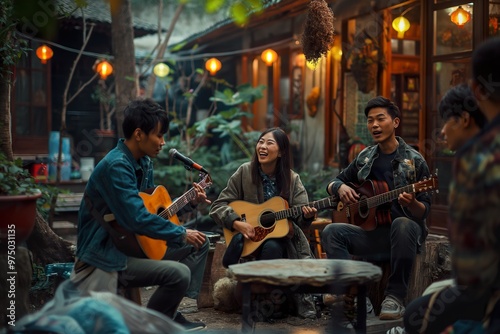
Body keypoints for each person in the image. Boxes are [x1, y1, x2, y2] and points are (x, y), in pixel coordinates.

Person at [71, 98, 210, 331]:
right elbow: (135, 219)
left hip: (134, 244)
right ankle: (147, 325)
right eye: (159, 135)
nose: (163, 142)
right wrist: (181, 232)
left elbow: (155, 212)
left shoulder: (144, 162)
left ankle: (168, 312)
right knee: (179, 274)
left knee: (201, 242)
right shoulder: (116, 166)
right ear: (138, 134)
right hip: (106, 253)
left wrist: (188, 204)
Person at [404, 37, 500, 334]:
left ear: (477, 91)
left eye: (447, 122)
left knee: (416, 317)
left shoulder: (478, 156)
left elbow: (471, 266)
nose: (443, 131)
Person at [321, 96, 432, 321]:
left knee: (402, 223)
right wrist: (340, 187)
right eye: (371, 120)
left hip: (405, 235)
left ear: (396, 122)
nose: (374, 125)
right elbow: (334, 182)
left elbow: (425, 210)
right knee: (331, 232)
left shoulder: (414, 160)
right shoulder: (365, 157)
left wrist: (412, 203)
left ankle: (395, 297)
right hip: (375, 234)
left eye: (380, 119)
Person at [209, 127, 318, 319]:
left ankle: (268, 304)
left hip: (282, 243)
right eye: (261, 141)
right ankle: (262, 302)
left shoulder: (293, 179)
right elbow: (218, 205)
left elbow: (301, 219)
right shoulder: (244, 172)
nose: (263, 146)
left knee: (273, 246)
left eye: (269, 143)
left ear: (281, 151)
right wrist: (236, 222)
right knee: (257, 246)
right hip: (249, 239)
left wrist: (307, 216)